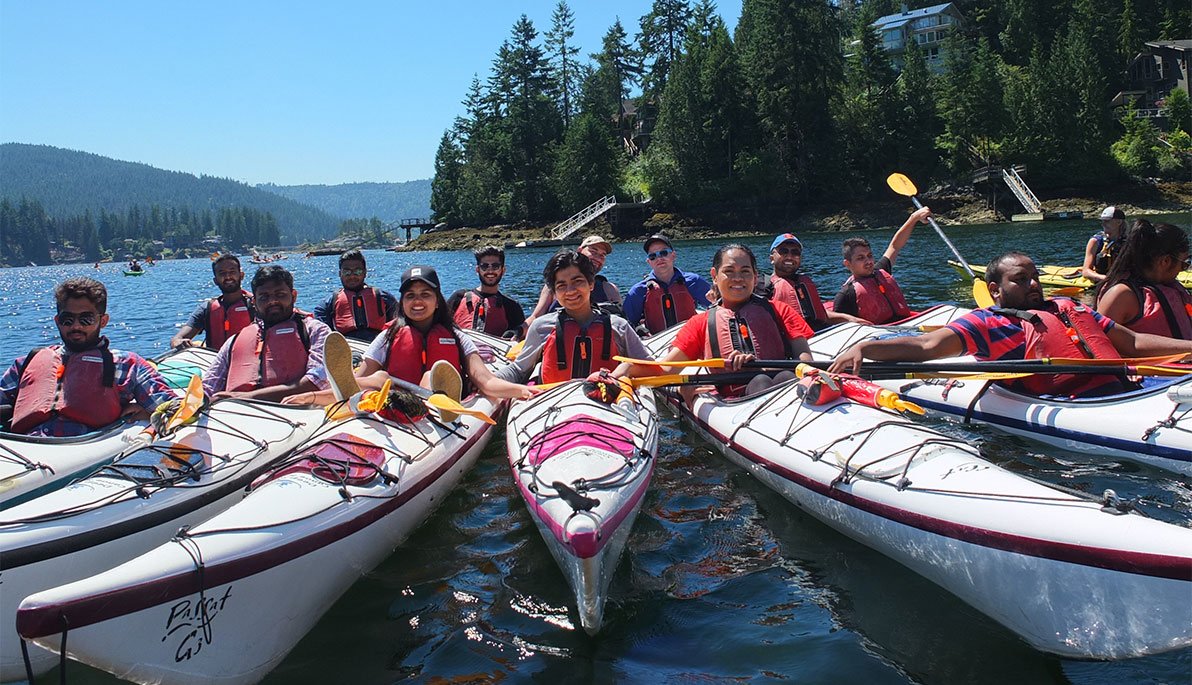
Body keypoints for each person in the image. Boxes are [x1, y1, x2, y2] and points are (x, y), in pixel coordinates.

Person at [830, 252, 1192, 398]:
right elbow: (927, 348)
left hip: (1132, 389)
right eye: (1021, 279)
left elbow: (1132, 343)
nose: (1034, 284)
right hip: (1077, 405)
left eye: (1035, 277)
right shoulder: (984, 322)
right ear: (994, 290)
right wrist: (866, 347)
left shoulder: (1066, 305)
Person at [0, 277, 175, 436]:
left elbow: (175, 408)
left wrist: (150, 414)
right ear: (57, 321)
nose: (76, 326)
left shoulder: (126, 364)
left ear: (103, 321)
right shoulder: (27, 362)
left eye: (86, 319)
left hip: (84, 451)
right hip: (23, 449)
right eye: (67, 319)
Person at [650, 244, 815, 401]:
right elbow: (664, 371)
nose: (738, 278)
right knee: (760, 381)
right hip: (739, 401)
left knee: (784, 376)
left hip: (786, 385)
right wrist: (680, 388)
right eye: (729, 271)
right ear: (714, 276)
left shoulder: (780, 311)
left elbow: (805, 360)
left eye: (745, 271)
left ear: (755, 276)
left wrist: (761, 367)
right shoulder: (699, 324)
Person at [498, 251, 653, 385]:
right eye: (561, 286)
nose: (570, 291)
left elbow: (652, 368)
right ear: (554, 292)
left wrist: (628, 368)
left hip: (607, 405)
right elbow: (519, 370)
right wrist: (487, 380)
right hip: (556, 407)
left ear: (591, 284)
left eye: (577, 282)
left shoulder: (619, 326)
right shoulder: (541, 327)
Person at [202, 266, 332, 401]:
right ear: (254, 302)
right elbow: (209, 387)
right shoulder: (235, 340)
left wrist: (249, 397)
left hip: (293, 412)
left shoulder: (315, 331)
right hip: (237, 412)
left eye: (280, 295)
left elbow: (317, 382)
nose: (272, 302)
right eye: (264, 297)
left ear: (293, 296)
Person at [832, 207, 932, 324]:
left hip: (908, 325)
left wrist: (914, 218)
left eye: (869, 255)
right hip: (881, 335)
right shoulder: (846, 294)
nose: (868, 261)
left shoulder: (880, 271)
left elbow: (895, 246)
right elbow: (834, 323)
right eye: (860, 258)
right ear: (847, 264)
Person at [1096, 220, 1192, 340]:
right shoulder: (1122, 295)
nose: (1182, 270)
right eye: (1184, 264)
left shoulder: (1172, 287)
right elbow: (1097, 343)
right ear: (1165, 261)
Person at [767, 233, 866, 331]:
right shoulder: (764, 287)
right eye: (783, 251)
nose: (790, 256)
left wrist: (849, 319)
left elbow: (821, 314)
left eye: (795, 252)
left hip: (821, 333)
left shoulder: (804, 282)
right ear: (771, 258)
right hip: (797, 342)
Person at [621, 234, 712, 335]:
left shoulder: (693, 281)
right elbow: (626, 324)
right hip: (657, 345)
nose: (659, 258)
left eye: (664, 253)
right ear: (649, 262)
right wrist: (638, 329)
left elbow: (717, 304)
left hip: (692, 340)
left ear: (673, 255)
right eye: (653, 256)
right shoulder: (638, 291)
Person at [527, 235, 623, 322]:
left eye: (602, 255)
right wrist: (519, 331)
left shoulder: (609, 289)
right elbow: (536, 317)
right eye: (593, 251)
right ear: (580, 250)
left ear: (591, 286)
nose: (598, 258)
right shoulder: (552, 286)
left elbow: (622, 321)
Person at [170, 253, 256, 349]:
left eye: (232, 272)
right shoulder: (207, 309)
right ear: (215, 280)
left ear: (241, 275)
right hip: (215, 360)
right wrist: (177, 342)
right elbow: (177, 338)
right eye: (222, 273)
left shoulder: (256, 305)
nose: (228, 277)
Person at [312, 249, 398, 341]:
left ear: (365, 273)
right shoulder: (326, 306)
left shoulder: (385, 298)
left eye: (358, 271)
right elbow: (323, 337)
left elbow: (399, 325)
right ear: (340, 274)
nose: (352, 276)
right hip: (346, 347)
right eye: (347, 272)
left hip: (378, 346)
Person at [446, 245, 527, 339]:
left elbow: (522, 337)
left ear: (503, 270)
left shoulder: (512, 307)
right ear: (477, 270)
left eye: (495, 266)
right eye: (484, 266)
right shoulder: (458, 298)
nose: (490, 270)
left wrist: (516, 333)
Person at [1082, 206, 1127, 283]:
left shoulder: (1129, 241)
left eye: (1107, 221)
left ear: (1119, 222)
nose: (1103, 224)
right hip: (1103, 279)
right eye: (1102, 221)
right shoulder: (1095, 241)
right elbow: (1086, 271)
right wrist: (1105, 278)